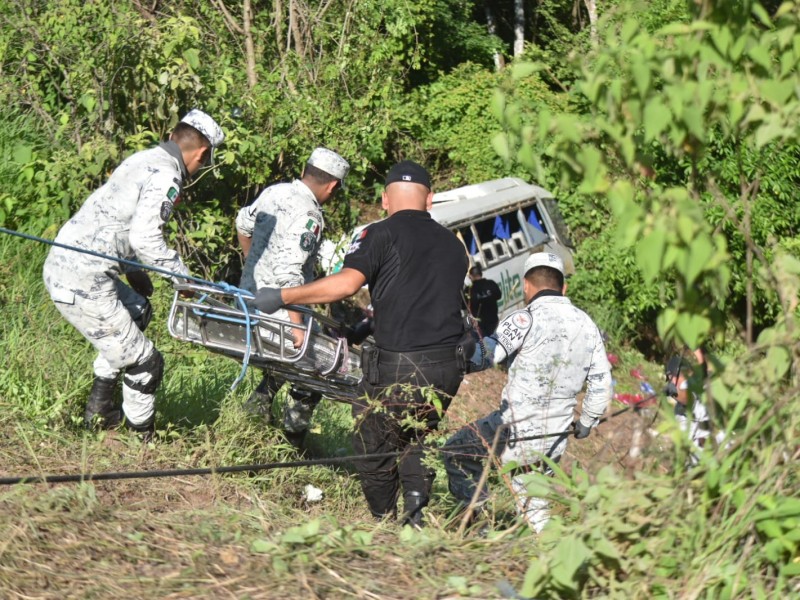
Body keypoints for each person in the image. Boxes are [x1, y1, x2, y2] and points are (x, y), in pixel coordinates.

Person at [250, 160, 470, 526]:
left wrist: (285, 296)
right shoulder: (455, 247)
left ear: (385, 200)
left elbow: (346, 284)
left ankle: (384, 523)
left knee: (372, 445)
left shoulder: (378, 234)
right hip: (448, 367)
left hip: (400, 364)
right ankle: (414, 524)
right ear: (429, 200)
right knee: (416, 434)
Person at [42, 109, 225, 439]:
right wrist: (184, 281)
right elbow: (145, 237)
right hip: (84, 279)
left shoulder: (141, 159)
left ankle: (99, 411)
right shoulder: (168, 175)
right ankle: (141, 438)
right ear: (202, 152)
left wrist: (135, 271)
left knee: (138, 310)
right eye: (206, 160)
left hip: (66, 264)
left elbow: (116, 222)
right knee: (147, 362)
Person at [443, 252, 612, 533]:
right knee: (533, 502)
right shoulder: (587, 324)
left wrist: (457, 356)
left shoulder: (525, 318)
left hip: (515, 429)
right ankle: (543, 553)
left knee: (457, 451)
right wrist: (586, 422)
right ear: (563, 287)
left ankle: (482, 526)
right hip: (556, 433)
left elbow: (487, 356)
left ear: (525, 285)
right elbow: (601, 382)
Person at [235, 148, 350, 446]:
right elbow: (290, 275)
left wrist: (252, 268)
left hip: (250, 299)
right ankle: (292, 440)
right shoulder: (309, 215)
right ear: (333, 186)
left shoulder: (275, 192)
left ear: (305, 169)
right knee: (318, 370)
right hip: (280, 311)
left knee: (290, 361)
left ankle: (258, 408)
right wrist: (298, 326)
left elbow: (242, 223)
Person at [467, 264, 502, 336]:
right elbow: (499, 296)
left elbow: (463, 305)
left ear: (470, 276)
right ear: (481, 274)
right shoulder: (491, 284)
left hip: (478, 326)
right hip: (493, 321)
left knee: (482, 345)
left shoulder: (469, 290)